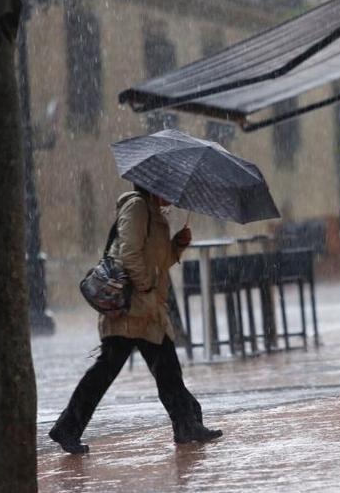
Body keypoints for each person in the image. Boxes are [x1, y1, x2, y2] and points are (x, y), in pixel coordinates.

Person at [49, 186, 222, 454]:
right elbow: (129, 253)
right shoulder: (138, 207)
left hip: (147, 310)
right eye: (169, 187)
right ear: (154, 185)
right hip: (131, 308)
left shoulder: (154, 213)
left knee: (166, 369)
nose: (173, 195)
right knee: (109, 371)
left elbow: (157, 261)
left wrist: (177, 245)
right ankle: (68, 427)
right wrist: (145, 286)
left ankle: (186, 423)